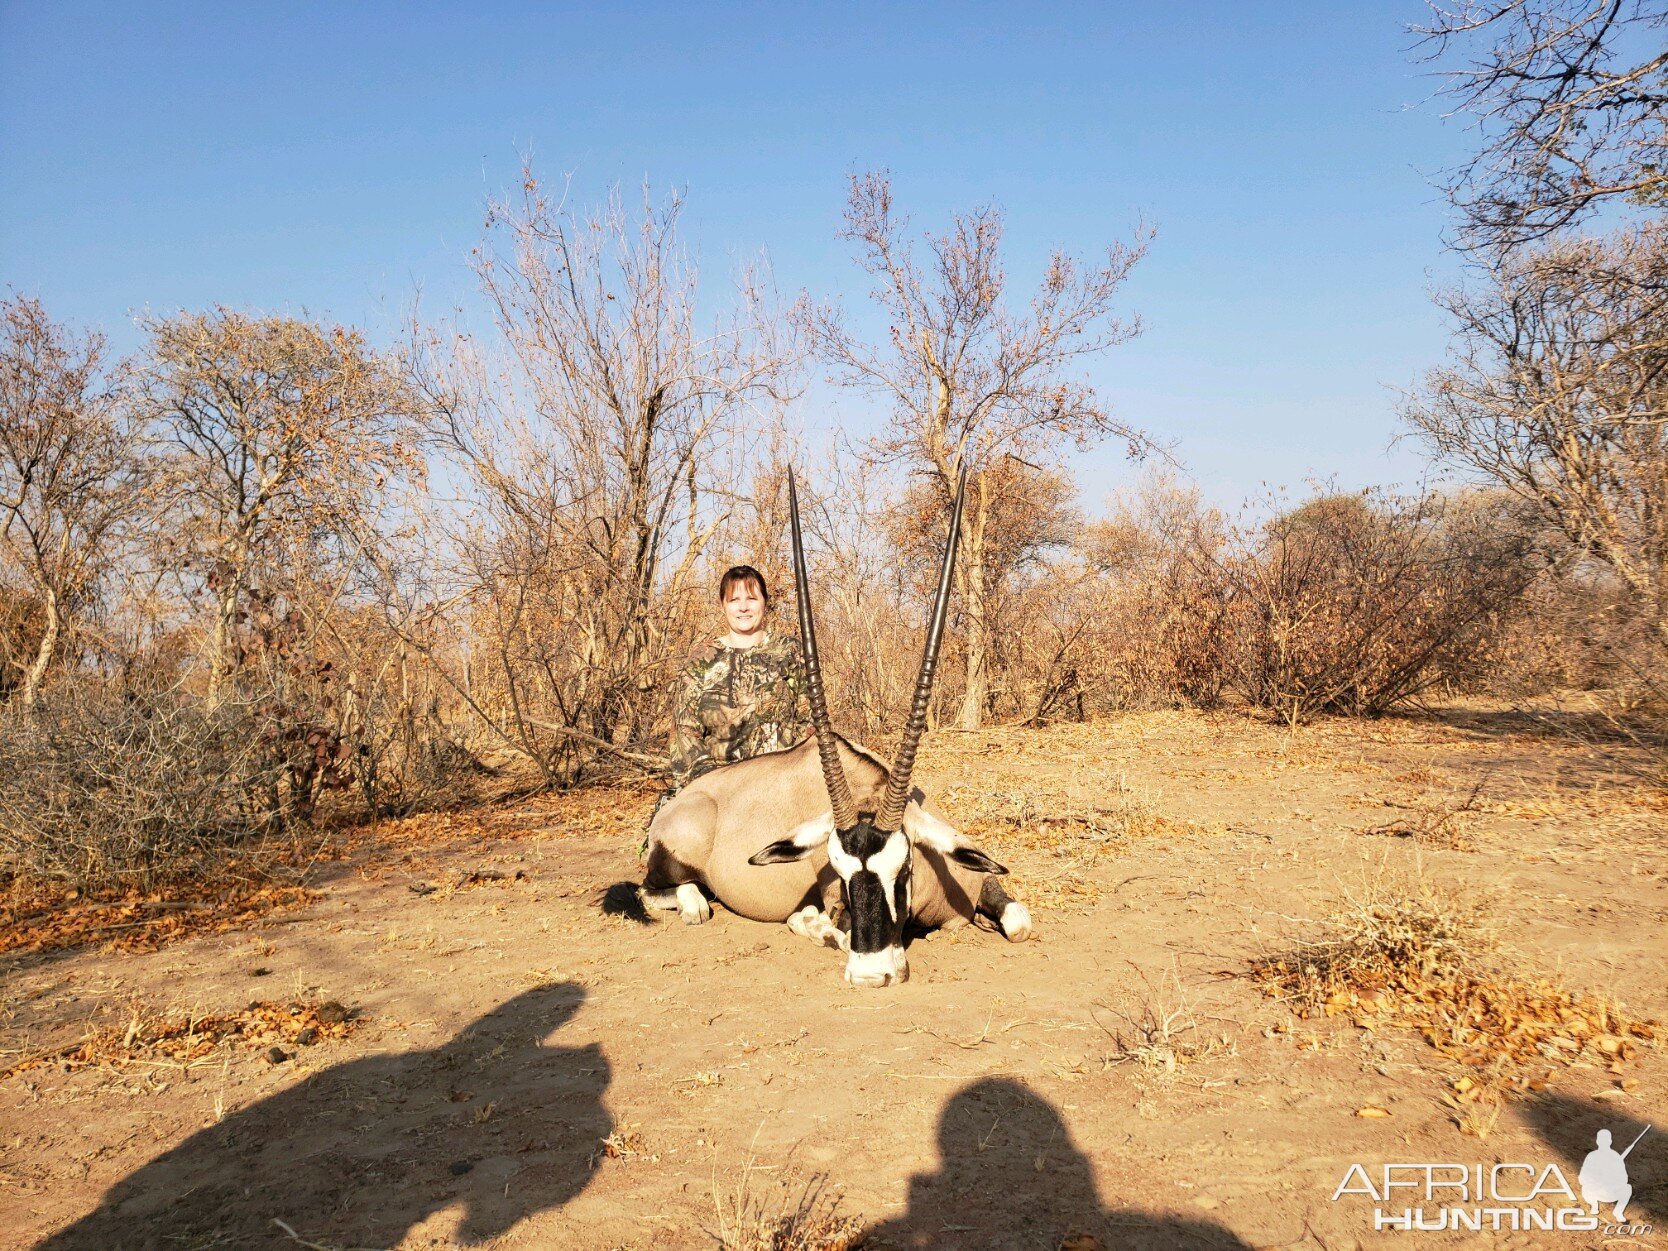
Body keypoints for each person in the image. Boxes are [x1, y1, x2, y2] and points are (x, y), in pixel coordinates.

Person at [645, 566, 809, 842]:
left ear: (765, 602)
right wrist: (717, 785)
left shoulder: (791, 651)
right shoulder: (702, 659)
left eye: (752, 599)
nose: (743, 608)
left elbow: (810, 723)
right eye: (734, 600)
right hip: (718, 794)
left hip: (782, 790)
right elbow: (684, 734)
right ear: (722, 605)